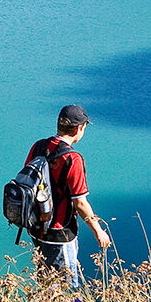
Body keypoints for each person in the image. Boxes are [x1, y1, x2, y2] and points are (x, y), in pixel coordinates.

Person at [26, 105, 112, 287]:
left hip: (36, 227)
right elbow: (80, 202)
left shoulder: (39, 146)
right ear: (78, 128)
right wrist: (99, 231)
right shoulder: (73, 159)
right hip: (59, 231)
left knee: (45, 281)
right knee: (60, 285)